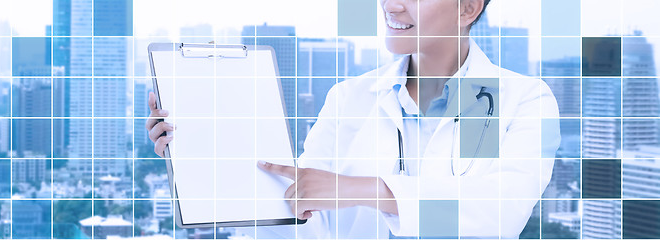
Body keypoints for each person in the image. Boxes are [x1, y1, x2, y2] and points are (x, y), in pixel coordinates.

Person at [146, 0, 561, 238]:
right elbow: (298, 219)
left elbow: (495, 213)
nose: (391, 5)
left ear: (467, 7)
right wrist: (198, 156)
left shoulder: (518, 101)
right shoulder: (349, 99)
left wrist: (362, 190)